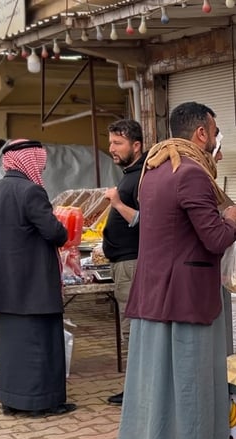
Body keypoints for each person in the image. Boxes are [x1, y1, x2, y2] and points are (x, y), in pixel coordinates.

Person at [114, 102, 236, 439]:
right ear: (201, 134)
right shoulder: (190, 172)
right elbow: (213, 238)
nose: (217, 140)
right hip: (186, 299)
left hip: (156, 295)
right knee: (191, 390)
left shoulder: (155, 169)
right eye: (215, 131)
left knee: (161, 393)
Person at [0, 139, 76, 418]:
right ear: (30, 161)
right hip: (33, 284)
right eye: (40, 162)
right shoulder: (31, 191)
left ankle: (10, 399)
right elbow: (55, 233)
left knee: (10, 346)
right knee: (39, 343)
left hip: (2, 282)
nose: (43, 167)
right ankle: (40, 402)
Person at [102, 119, 144, 406]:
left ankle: (137, 392)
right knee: (131, 326)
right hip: (124, 263)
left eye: (118, 143)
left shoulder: (141, 177)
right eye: (110, 143)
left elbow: (146, 221)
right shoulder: (129, 174)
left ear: (136, 145)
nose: (112, 148)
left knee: (133, 328)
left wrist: (117, 203)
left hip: (132, 263)